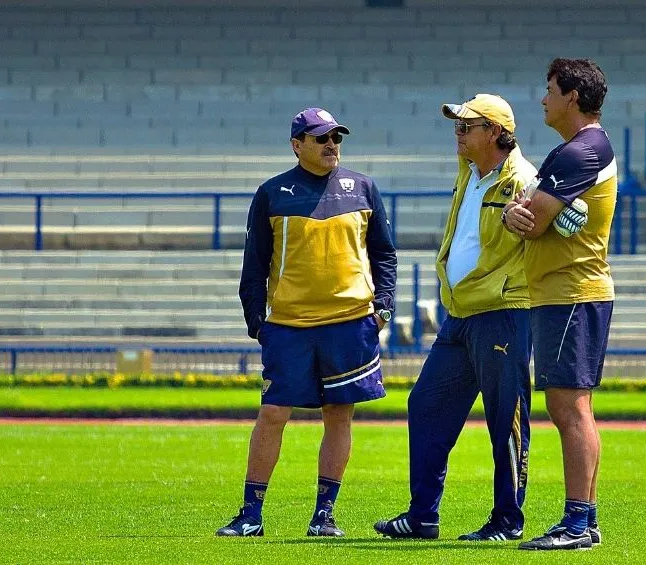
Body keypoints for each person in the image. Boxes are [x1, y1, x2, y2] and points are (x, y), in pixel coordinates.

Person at [216, 107, 398, 538]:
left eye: (336, 137)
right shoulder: (272, 192)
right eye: (321, 138)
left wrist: (383, 308)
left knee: (339, 415)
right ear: (297, 145)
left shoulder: (364, 188)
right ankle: (250, 514)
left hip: (351, 323)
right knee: (274, 412)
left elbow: (384, 253)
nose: (331, 144)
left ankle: (324, 516)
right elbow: (255, 261)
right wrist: (256, 322)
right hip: (289, 325)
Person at [372, 94, 537, 542]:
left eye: (467, 126)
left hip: (504, 312)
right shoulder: (469, 172)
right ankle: (423, 515)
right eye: (457, 126)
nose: (457, 133)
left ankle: (507, 520)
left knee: (507, 419)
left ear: (497, 133)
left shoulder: (524, 180)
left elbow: (553, 234)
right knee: (425, 403)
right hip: (462, 312)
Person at [502, 58, 616, 551]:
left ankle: (576, 522)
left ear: (572, 95)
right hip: (566, 292)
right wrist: (518, 212)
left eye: (549, 89)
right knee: (577, 407)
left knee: (567, 407)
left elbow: (534, 218)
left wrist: (520, 212)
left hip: (570, 293)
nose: (543, 98)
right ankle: (584, 520)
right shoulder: (577, 149)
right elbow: (524, 211)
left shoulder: (580, 152)